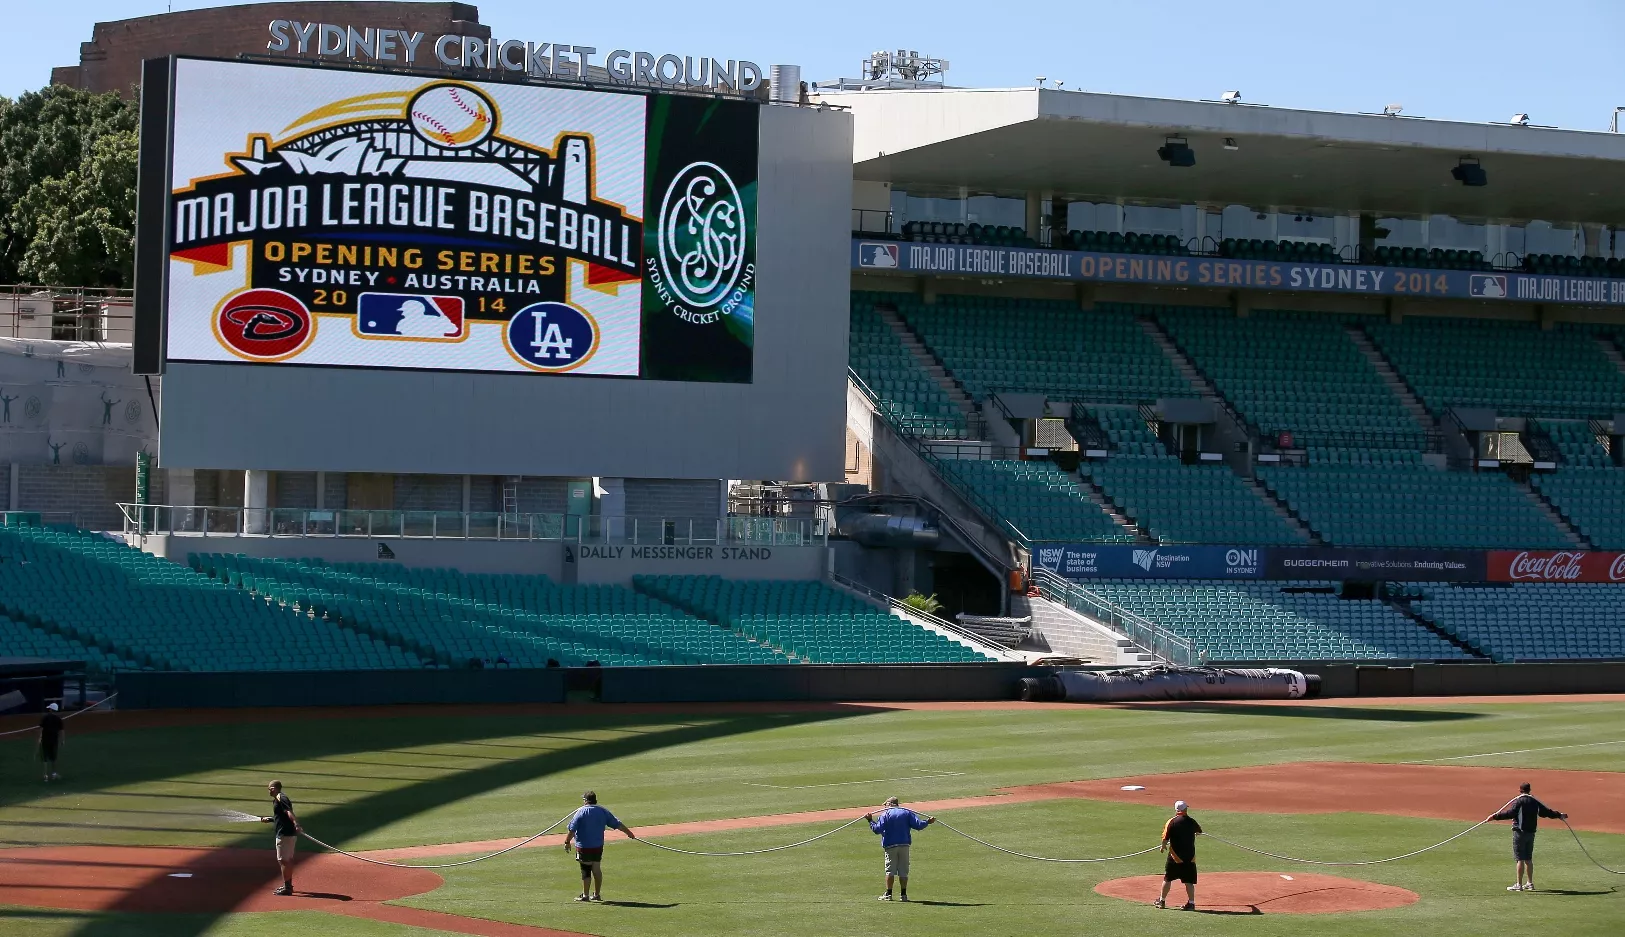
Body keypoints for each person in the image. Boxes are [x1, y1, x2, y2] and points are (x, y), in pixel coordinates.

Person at [1488, 782, 1567, 892]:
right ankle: (1529, 883)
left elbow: (1510, 813)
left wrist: (1495, 817)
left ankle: (1519, 884)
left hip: (1520, 833)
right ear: (1529, 790)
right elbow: (1546, 812)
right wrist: (1559, 815)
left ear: (1520, 790)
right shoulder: (1534, 800)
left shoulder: (1519, 801)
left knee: (1519, 858)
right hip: (1531, 833)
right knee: (1528, 858)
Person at [563, 790, 635, 901]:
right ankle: (596, 894)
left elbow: (572, 829)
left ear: (585, 800)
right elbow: (617, 823)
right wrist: (629, 833)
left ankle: (585, 895)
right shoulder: (602, 811)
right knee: (596, 869)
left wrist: (567, 842)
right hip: (597, 846)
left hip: (583, 846)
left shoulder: (580, 812)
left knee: (585, 870)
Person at [865, 796, 935, 901]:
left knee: (890, 870)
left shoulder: (885, 814)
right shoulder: (906, 813)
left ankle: (888, 894)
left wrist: (870, 820)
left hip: (890, 845)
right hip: (904, 845)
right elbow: (918, 825)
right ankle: (903, 895)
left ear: (889, 804)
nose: (884, 807)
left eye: (885, 805)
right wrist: (928, 822)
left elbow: (877, 829)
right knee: (903, 871)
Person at [1156, 800, 1202, 910]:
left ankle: (1162, 901)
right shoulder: (1191, 821)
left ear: (1176, 810)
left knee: (1167, 879)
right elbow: (1199, 831)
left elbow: (1165, 837)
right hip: (1190, 857)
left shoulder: (1172, 822)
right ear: (1185, 809)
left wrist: (1163, 846)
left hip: (1175, 857)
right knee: (1189, 881)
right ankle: (1191, 903)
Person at [259, 780, 302, 896]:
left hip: (284, 834)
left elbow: (289, 812)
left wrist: (296, 824)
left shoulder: (280, 797)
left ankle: (287, 887)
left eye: (269, 789)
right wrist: (271, 819)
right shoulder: (280, 798)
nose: (268, 791)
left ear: (273, 788)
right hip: (288, 833)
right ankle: (288, 885)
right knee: (287, 860)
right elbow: (282, 816)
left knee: (283, 860)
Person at [38, 703, 64, 782]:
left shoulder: (45, 718)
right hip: (54, 740)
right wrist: (62, 740)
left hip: (45, 740)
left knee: (45, 758)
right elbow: (62, 731)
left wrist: (39, 738)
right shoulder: (58, 719)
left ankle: (45, 776)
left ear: (51, 709)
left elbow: (41, 729)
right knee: (54, 758)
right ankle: (54, 774)